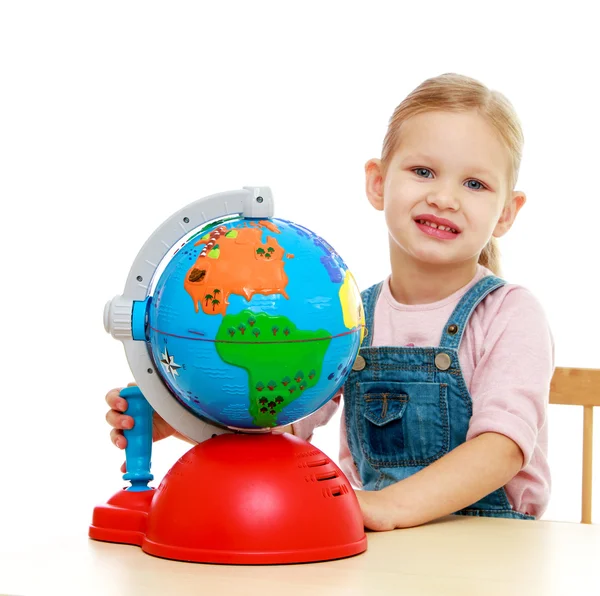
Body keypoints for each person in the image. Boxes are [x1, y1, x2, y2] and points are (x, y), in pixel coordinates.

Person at [106, 73, 554, 531]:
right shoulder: (347, 317)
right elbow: (276, 423)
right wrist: (181, 418)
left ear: (506, 213)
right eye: (423, 171)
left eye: (475, 184)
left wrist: (389, 507)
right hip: (381, 552)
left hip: (494, 548)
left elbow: (501, 447)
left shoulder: (510, 314)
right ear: (378, 183)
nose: (444, 197)